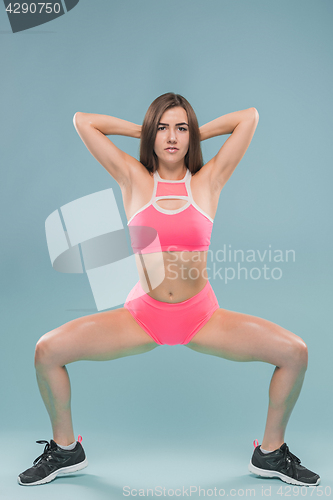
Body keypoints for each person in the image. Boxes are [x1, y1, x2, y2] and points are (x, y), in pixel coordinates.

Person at [18, 93, 320, 487]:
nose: (172, 137)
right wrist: (142, 130)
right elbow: (83, 121)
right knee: (47, 351)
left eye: (181, 128)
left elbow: (249, 117)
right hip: (142, 317)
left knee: (295, 353)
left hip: (202, 317)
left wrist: (196, 132)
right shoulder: (135, 180)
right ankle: (65, 450)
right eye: (162, 128)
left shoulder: (209, 181)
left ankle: (270, 453)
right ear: (151, 135)